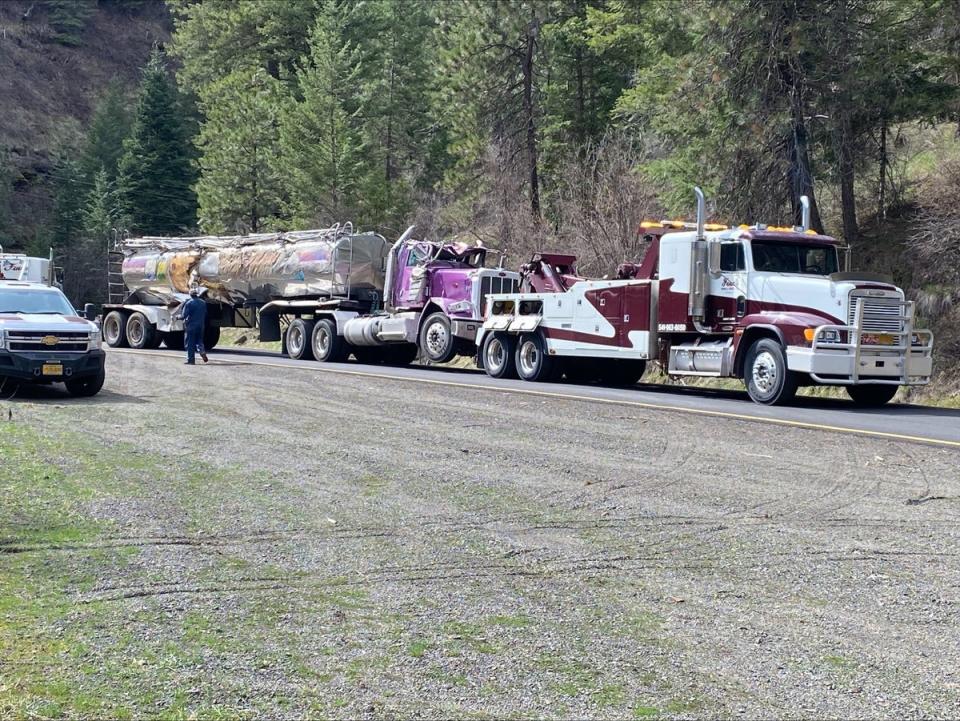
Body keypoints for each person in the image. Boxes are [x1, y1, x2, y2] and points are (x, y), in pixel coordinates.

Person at [179, 287, 209, 365]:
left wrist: (176, 317)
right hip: (201, 326)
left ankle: (191, 360)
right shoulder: (203, 303)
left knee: (190, 343)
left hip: (191, 327)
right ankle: (202, 352)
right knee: (199, 341)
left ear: (190, 295)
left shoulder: (189, 303)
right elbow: (205, 313)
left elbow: (184, 316)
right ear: (197, 294)